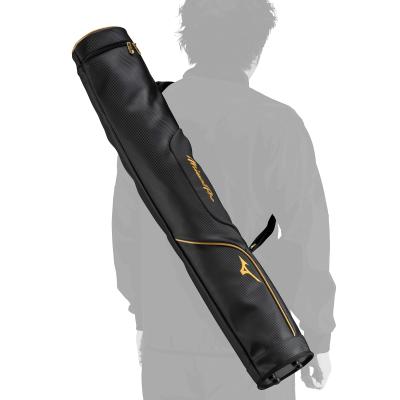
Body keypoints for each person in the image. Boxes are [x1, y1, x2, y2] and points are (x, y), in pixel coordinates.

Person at [112, 0, 336, 398]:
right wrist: (318, 335)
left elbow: (128, 227)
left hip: (168, 341)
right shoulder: (276, 123)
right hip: (260, 342)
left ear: (189, 41)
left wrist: (144, 317)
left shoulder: (149, 119)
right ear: (257, 47)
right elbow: (307, 237)